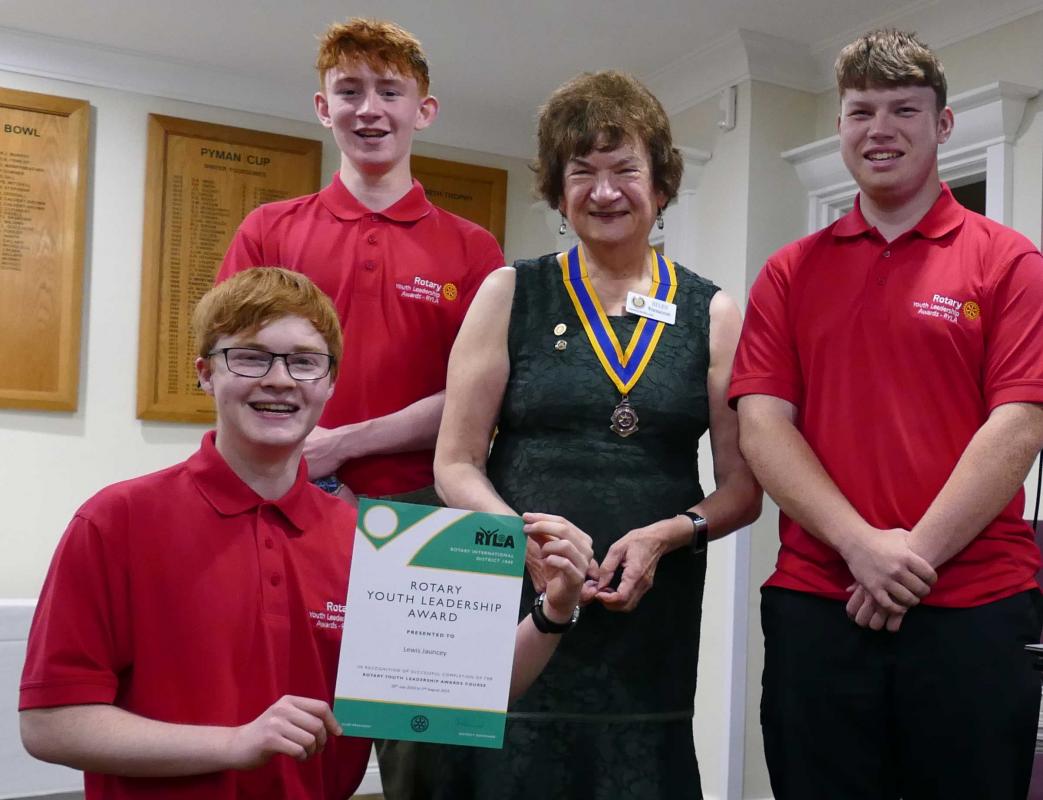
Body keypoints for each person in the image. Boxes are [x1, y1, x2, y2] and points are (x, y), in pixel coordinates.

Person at [19, 267, 593, 800]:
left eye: (303, 362)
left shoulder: (372, 543)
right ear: (205, 373)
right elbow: (51, 723)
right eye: (249, 358)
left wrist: (553, 611)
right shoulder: (116, 522)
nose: (278, 380)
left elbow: (454, 695)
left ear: (329, 383)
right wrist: (234, 744)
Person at [730, 30, 1043, 800]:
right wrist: (859, 546)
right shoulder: (789, 273)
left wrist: (904, 562)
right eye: (860, 110)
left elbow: (1019, 425)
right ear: (839, 127)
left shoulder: (1008, 262)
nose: (880, 128)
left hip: (975, 605)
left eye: (904, 108)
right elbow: (763, 425)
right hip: (817, 599)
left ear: (942, 125)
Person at [430, 71, 761, 799]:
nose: (604, 192)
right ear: (556, 189)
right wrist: (519, 539)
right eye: (582, 172)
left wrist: (664, 537)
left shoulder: (713, 311)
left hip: (653, 613)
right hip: (520, 595)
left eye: (624, 171)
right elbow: (454, 461)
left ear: (662, 184)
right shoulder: (508, 293)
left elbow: (741, 490)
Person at [217, 18, 504, 505]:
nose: (370, 110)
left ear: (424, 110)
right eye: (350, 91)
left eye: (391, 93)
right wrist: (318, 473)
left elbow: (481, 400)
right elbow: (234, 366)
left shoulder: (475, 250)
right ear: (324, 109)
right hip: (284, 489)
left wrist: (344, 444)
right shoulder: (266, 231)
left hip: (424, 501)